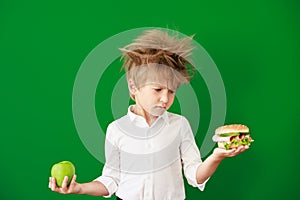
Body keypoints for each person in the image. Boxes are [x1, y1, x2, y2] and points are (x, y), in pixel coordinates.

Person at [48, 29, 249, 199]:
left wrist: (217, 155)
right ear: (133, 87)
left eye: (171, 92)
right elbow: (111, 180)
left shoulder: (180, 125)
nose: (165, 99)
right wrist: (79, 188)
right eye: (158, 89)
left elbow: (195, 176)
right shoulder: (116, 130)